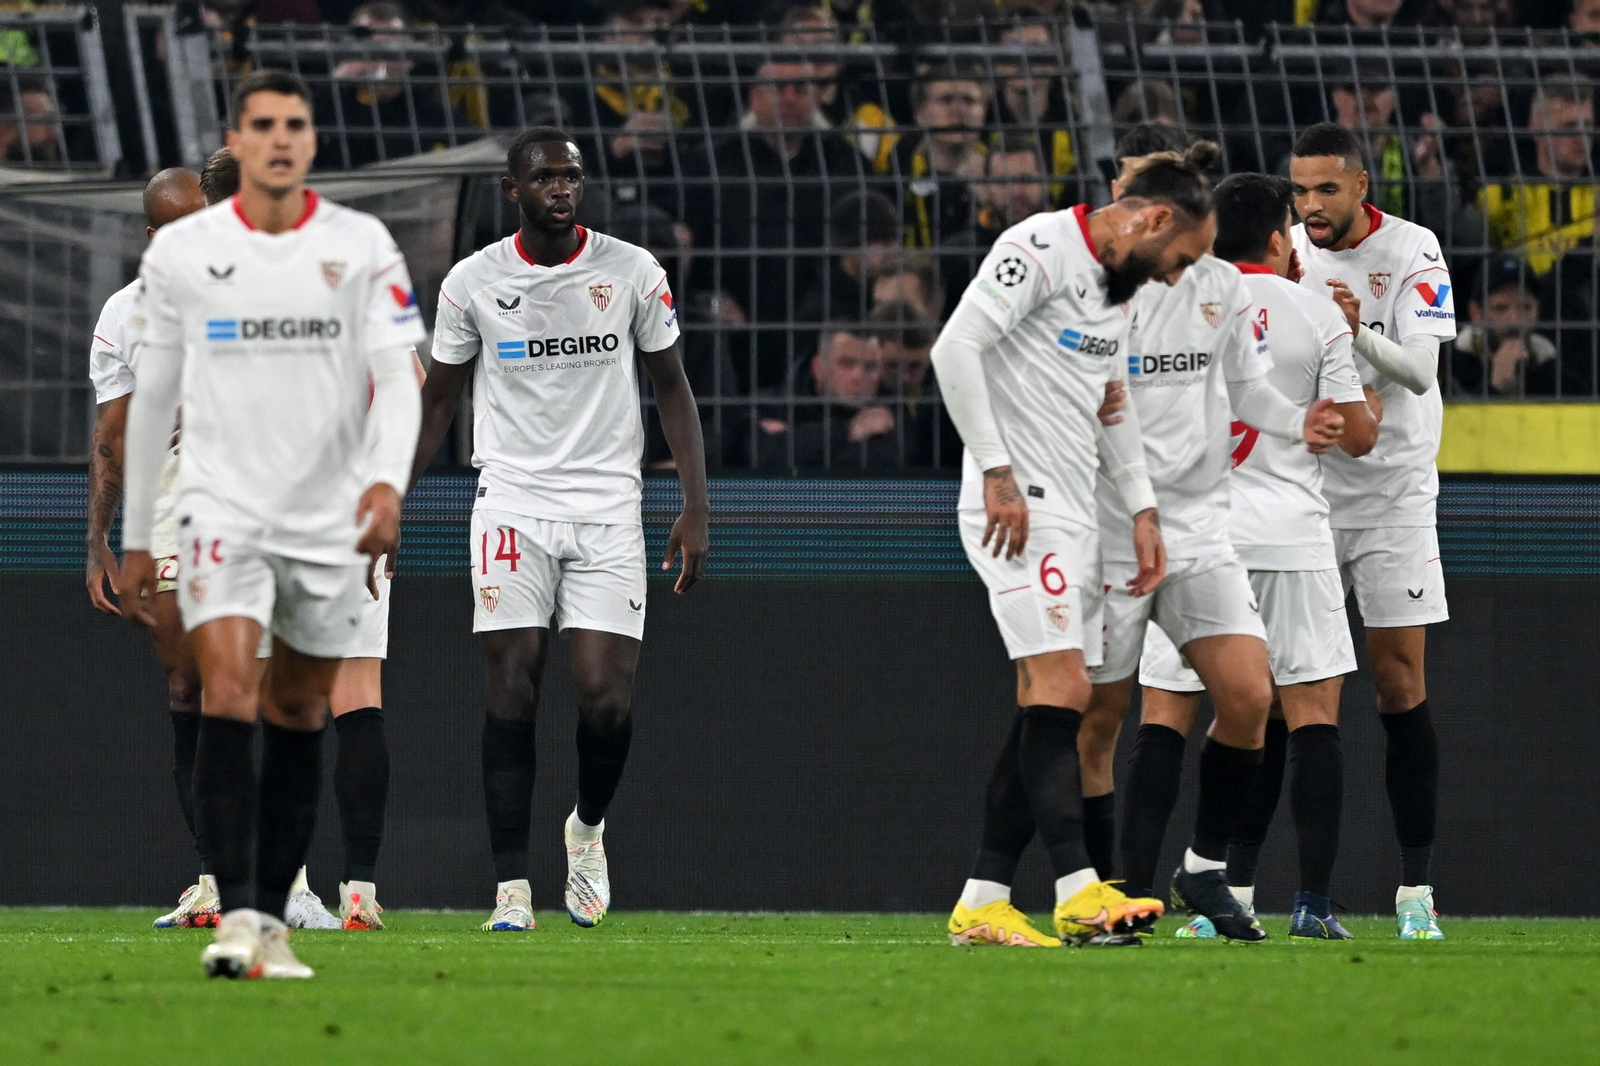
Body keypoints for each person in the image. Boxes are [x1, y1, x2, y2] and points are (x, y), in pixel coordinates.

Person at [120, 69, 424, 979]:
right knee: (226, 696)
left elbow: (400, 380)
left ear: (310, 142)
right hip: (222, 506)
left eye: (295, 124)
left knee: (298, 706)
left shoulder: (361, 246)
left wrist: (387, 486)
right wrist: (140, 530)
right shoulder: (180, 259)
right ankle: (236, 912)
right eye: (263, 125)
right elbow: (154, 399)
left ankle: (272, 915)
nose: (280, 139)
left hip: (323, 514)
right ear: (241, 144)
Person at [411, 126, 709, 933]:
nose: (561, 189)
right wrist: (392, 499)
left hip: (610, 503)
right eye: (544, 177)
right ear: (514, 189)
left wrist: (694, 507)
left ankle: (586, 829)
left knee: (604, 698)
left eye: (571, 177)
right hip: (510, 497)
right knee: (511, 684)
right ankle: (511, 888)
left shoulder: (633, 271)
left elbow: (673, 390)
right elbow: (439, 400)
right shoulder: (473, 282)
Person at [935, 142, 1226, 950]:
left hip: (1072, 511)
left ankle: (983, 899)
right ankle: (1077, 890)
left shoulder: (1116, 288)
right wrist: (996, 472)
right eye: (1180, 259)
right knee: (1064, 691)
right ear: (1155, 219)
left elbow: (1110, 397)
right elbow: (953, 350)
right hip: (1016, 506)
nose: (1176, 277)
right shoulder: (1037, 249)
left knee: (1050, 703)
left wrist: (1140, 508)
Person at [1075, 126, 1344, 944]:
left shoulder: (1224, 288)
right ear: (1156, 227)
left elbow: (1248, 393)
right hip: (1120, 526)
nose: (1195, 269)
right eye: (1185, 253)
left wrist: (1301, 421)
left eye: (1202, 254)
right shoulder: (1100, 297)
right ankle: (1097, 898)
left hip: (1203, 525)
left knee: (1250, 699)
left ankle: (1199, 866)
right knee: (1097, 719)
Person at [1130, 173, 1379, 941]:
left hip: (1200, 535)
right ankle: (1311, 903)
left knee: (1167, 717)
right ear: (1279, 238)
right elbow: (1360, 437)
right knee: (1312, 719)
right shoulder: (1312, 311)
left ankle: (1131, 897)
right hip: (1291, 534)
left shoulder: (1176, 304)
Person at [1291, 120, 1458, 940]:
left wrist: (1353, 331)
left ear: (1362, 186)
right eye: (1302, 189)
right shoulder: (1286, 252)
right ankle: (1246, 892)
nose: (1313, 206)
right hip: (1308, 494)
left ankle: (1415, 892)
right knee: (1294, 691)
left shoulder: (1416, 250)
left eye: (1327, 188)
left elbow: (1423, 372)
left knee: (1398, 684)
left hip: (1393, 493)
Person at [86, 167, 216, 929]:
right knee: (189, 689)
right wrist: (97, 538)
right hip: (166, 522)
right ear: (152, 239)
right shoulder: (124, 315)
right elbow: (110, 440)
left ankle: (281, 874)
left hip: (253, 512)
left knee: (259, 688)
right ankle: (214, 872)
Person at [753, 327, 902, 468]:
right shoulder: (770, 406)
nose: (858, 377)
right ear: (818, 367)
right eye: (847, 364)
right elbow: (762, 458)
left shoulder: (890, 411)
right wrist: (847, 430)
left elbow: (877, 468)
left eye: (869, 367)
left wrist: (797, 440)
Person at [1449, 254, 1574, 397]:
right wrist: (1496, 387)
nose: (1515, 320)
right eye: (1500, 308)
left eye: (1525, 307)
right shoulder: (1453, 370)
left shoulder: (1554, 372)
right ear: (1476, 313)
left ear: (1537, 309)